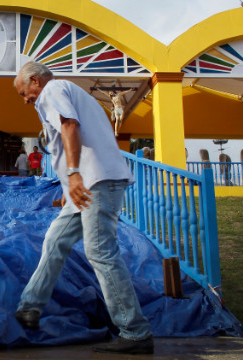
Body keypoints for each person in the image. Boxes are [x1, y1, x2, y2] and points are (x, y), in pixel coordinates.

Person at [12, 61, 153, 355]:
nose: (26, 101)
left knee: (100, 251)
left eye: (25, 93)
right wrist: (68, 186)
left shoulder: (51, 91)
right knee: (56, 238)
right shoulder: (72, 92)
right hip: (87, 185)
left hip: (95, 180)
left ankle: (135, 331)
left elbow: (69, 126)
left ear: (35, 81)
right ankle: (29, 307)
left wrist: (74, 172)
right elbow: (73, 135)